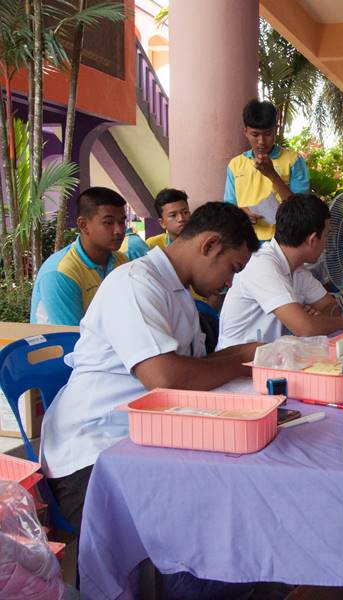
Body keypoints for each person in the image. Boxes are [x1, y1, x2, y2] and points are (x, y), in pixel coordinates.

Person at [40, 202, 262, 534]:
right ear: (210, 245)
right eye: (233, 268)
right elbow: (166, 379)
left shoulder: (177, 291)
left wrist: (250, 354)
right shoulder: (135, 283)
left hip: (141, 437)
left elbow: (190, 368)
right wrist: (241, 364)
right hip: (95, 452)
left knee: (233, 494)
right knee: (189, 534)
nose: (230, 282)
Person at [217, 194, 343, 348]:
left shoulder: (297, 269)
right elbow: (306, 329)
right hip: (240, 360)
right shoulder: (262, 264)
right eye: (327, 236)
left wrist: (318, 320)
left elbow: (331, 306)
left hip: (273, 356)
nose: (327, 244)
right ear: (312, 239)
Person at [30, 187, 128, 326]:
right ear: (83, 225)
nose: (119, 230)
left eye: (122, 221)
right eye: (108, 222)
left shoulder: (122, 262)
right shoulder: (60, 273)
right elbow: (73, 335)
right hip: (66, 339)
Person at [224, 99, 310, 242]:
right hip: (245, 241)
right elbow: (228, 207)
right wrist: (241, 213)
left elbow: (301, 209)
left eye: (267, 134)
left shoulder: (293, 160)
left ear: (275, 130)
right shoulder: (235, 165)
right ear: (245, 132)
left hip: (282, 242)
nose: (261, 141)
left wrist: (272, 174)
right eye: (255, 134)